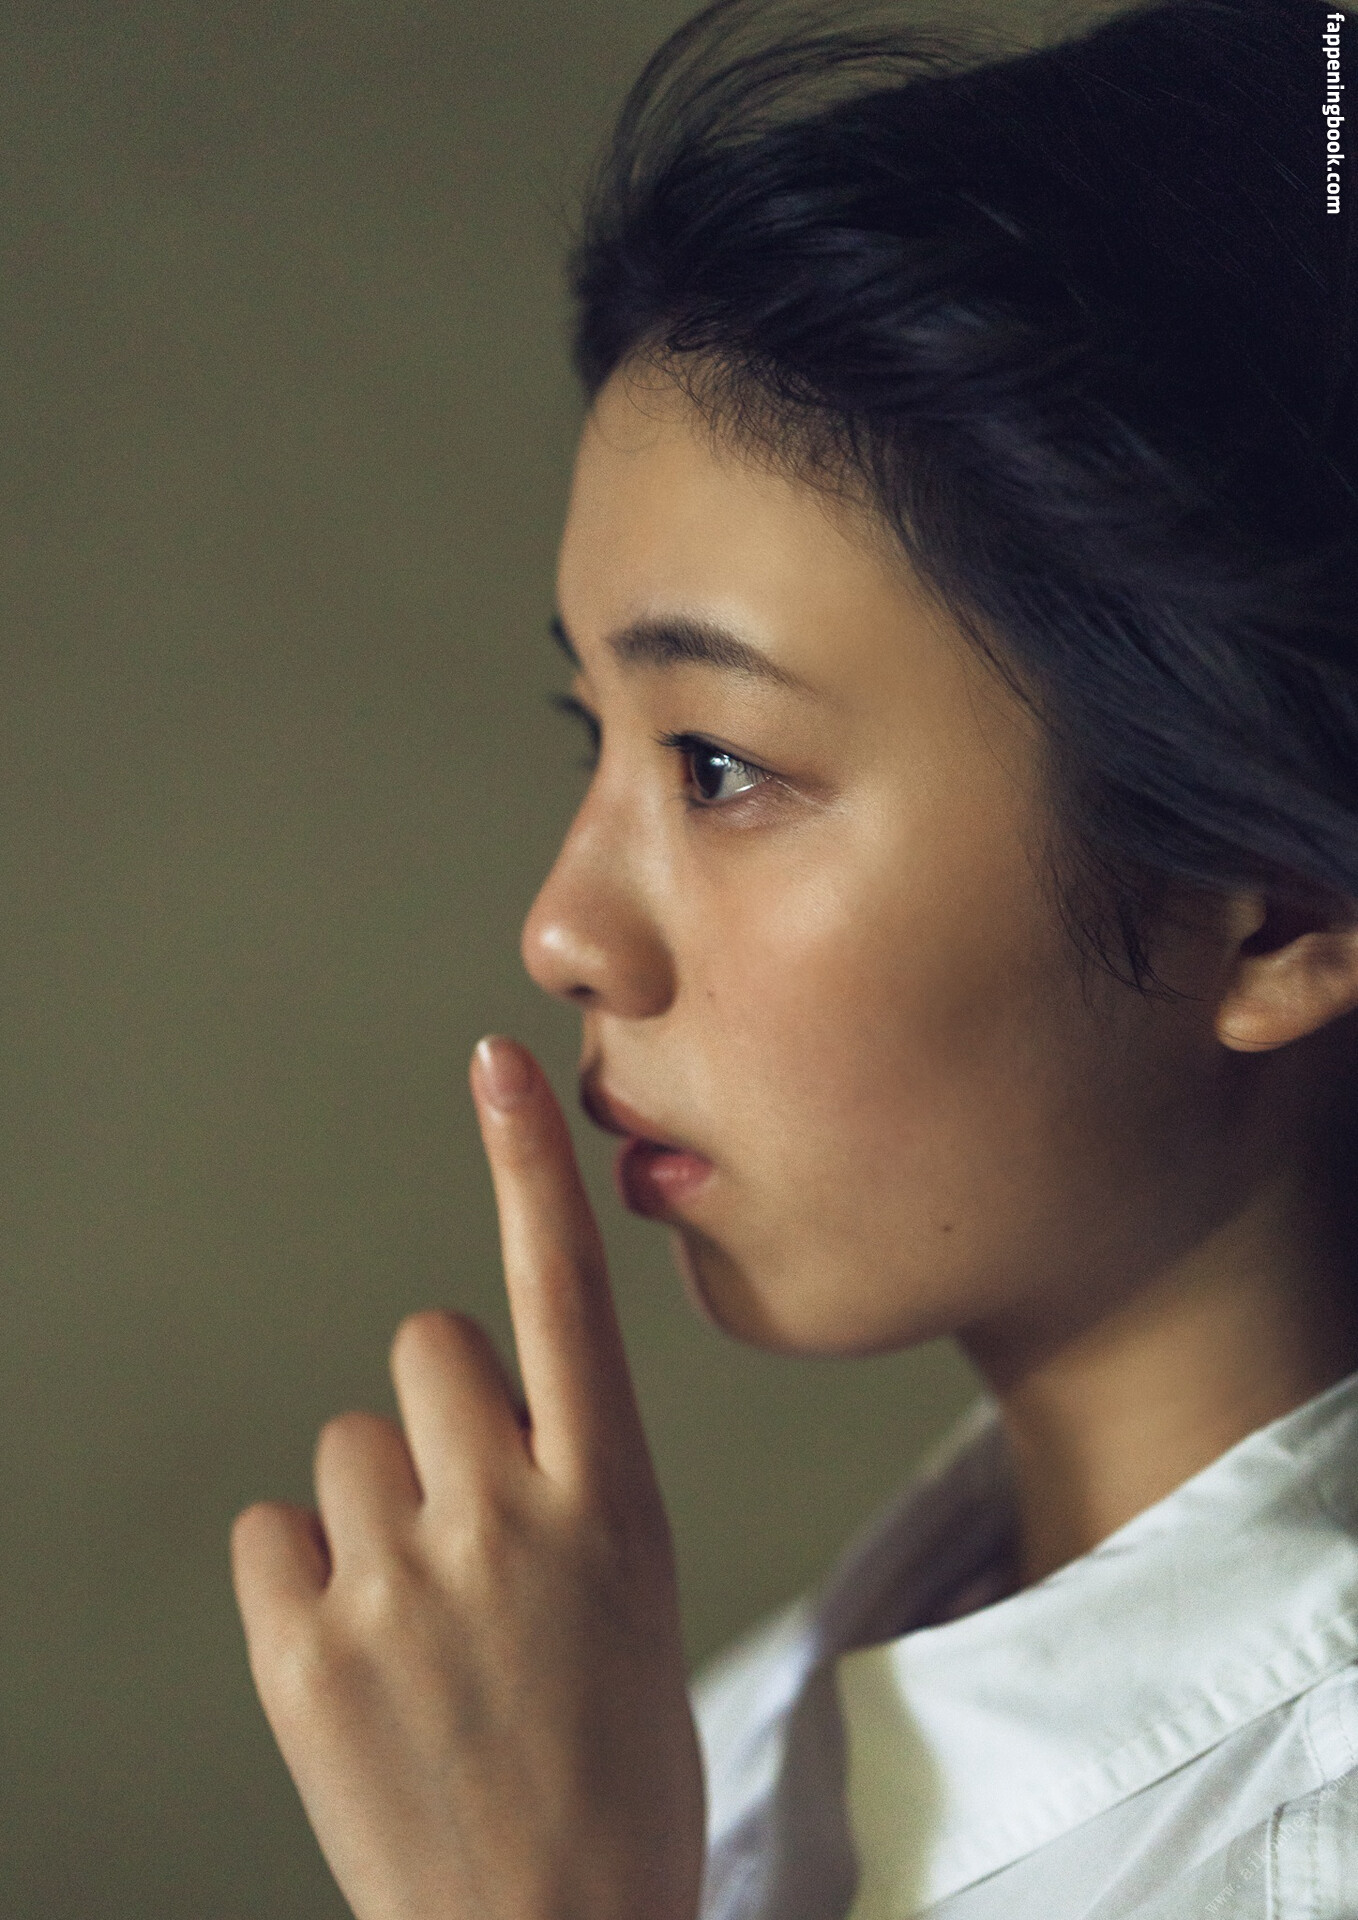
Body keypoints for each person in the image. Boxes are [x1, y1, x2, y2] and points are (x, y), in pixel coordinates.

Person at [228, 0, 1358, 1914]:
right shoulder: (715, 1729)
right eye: (595, 738)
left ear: (1276, 905)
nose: (563, 928)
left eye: (720, 766)